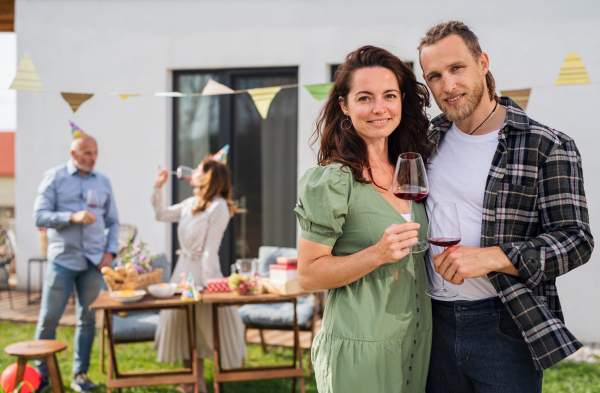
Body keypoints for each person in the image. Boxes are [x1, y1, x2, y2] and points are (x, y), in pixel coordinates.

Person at [418, 21, 594, 393]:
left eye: (457, 68)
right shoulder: (426, 141)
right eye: (434, 75)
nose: (447, 86)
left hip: (504, 324)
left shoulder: (546, 145)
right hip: (429, 323)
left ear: (482, 63)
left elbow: (576, 241)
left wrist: (495, 257)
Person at [295, 45, 433, 392]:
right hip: (361, 347)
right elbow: (309, 275)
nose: (379, 108)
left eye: (388, 95)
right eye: (364, 98)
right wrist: (377, 254)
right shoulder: (333, 180)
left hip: (418, 341)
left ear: (402, 100)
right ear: (344, 105)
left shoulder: (413, 168)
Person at [152, 156, 246, 393]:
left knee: (206, 330)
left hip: (202, 275)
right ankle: (191, 383)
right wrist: (158, 187)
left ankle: (207, 383)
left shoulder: (219, 207)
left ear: (209, 177)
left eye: (199, 169)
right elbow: (161, 214)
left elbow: (210, 251)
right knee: (183, 328)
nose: (192, 171)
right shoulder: (190, 202)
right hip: (182, 272)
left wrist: (206, 285)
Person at [33, 133, 119, 393]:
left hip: (94, 262)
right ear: (73, 154)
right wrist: (71, 216)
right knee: (49, 318)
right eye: (87, 154)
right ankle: (42, 376)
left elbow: (113, 221)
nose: (92, 159)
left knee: (87, 319)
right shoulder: (54, 177)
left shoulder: (103, 181)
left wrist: (110, 252)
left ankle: (80, 375)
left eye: (95, 153)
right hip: (63, 260)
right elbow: (40, 215)